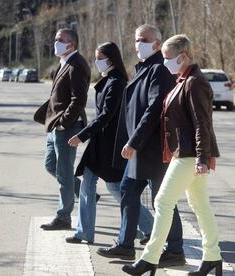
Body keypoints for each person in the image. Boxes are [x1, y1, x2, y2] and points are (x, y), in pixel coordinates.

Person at [122, 34, 222, 276]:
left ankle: (149, 258)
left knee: (162, 202)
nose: (164, 62)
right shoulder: (182, 80)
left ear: (183, 56)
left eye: (168, 57)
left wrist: (201, 158)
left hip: (189, 154)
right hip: (185, 152)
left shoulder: (194, 82)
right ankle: (213, 257)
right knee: (200, 205)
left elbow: (202, 124)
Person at [97, 24, 185, 267]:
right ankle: (126, 245)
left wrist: (134, 141)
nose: (138, 43)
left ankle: (175, 249)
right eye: (136, 39)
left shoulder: (159, 69)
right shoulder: (144, 68)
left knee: (162, 200)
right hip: (139, 148)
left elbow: (154, 109)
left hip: (153, 149)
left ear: (157, 43)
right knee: (128, 191)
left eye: (143, 39)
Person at [65, 42, 152, 244]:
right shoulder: (109, 80)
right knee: (87, 185)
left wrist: (82, 135)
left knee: (116, 188)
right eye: (96, 57)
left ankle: (151, 227)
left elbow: (106, 115)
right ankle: (84, 232)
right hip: (99, 144)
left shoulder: (117, 82)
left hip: (110, 146)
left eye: (100, 58)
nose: (97, 62)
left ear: (110, 59)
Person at [35, 28, 91, 231]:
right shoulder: (64, 63)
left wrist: (64, 123)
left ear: (71, 44)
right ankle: (88, 194)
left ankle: (63, 217)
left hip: (66, 127)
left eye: (60, 39)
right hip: (54, 126)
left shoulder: (77, 64)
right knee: (51, 166)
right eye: (55, 38)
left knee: (64, 172)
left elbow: (79, 100)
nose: (55, 42)